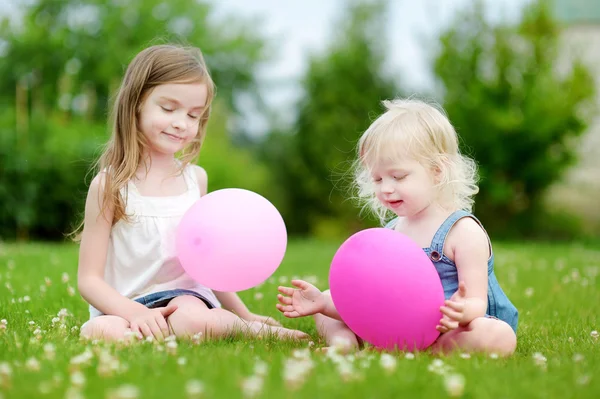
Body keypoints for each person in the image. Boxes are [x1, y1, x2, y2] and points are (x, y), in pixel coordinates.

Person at [76, 44, 307, 343]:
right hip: (125, 304)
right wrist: (134, 314)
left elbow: (207, 263)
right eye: (169, 108)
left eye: (194, 115)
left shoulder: (194, 180)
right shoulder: (110, 186)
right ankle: (159, 332)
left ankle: (237, 328)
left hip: (185, 298)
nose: (181, 123)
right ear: (136, 104)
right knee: (99, 331)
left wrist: (245, 315)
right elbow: (89, 280)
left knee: (193, 318)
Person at [276, 98, 518, 355]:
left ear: (437, 171)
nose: (386, 188)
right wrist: (323, 303)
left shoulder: (463, 232)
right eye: (378, 178)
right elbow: (374, 304)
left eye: (398, 176)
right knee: (328, 297)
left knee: (499, 335)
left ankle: (435, 347)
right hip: (398, 323)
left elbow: (477, 301)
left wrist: (462, 311)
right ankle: (343, 343)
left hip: (454, 327)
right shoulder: (390, 233)